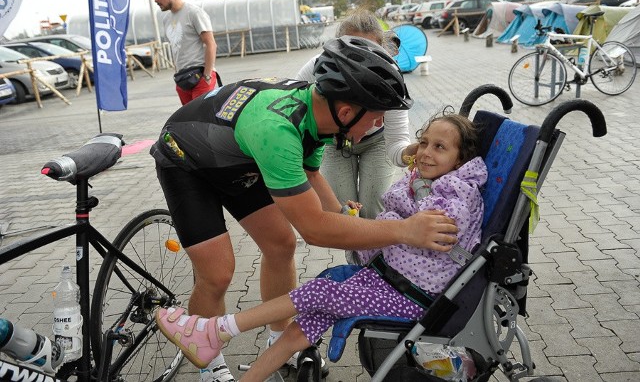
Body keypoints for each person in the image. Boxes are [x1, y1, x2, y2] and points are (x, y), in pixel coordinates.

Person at [149, 36, 458, 382]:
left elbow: (310, 174)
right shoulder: (279, 132)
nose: (377, 127)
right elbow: (314, 229)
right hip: (187, 160)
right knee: (218, 272)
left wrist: (342, 212)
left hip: (238, 158)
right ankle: (208, 362)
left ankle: (279, 339)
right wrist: (405, 230)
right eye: (376, 119)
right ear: (346, 112)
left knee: (281, 245)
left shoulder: (320, 116)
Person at [296, 8, 417, 221]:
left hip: (376, 144)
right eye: (350, 48)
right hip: (334, 144)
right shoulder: (315, 68)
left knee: (372, 212)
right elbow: (296, 116)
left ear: (381, 50)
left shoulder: (389, 78)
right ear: (336, 46)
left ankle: (377, 254)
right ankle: (356, 255)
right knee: (346, 214)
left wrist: (418, 151)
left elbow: (397, 146)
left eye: (368, 51)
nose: (358, 59)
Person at [144, 0, 218, 105]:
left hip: (200, 76)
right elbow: (176, 47)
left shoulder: (194, 13)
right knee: (189, 120)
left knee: (201, 119)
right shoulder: (166, 19)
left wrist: (207, 76)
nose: (156, 0)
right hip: (182, 79)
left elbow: (211, 44)